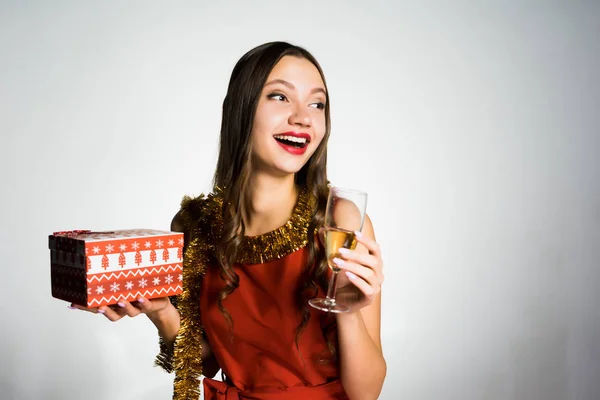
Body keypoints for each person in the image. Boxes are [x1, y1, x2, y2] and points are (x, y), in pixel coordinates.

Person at [72, 41, 386, 400]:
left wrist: (346, 308)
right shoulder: (195, 225)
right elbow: (201, 363)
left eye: (317, 103)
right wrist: (159, 311)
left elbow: (368, 392)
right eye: (280, 97)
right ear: (241, 108)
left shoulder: (340, 220)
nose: (303, 117)